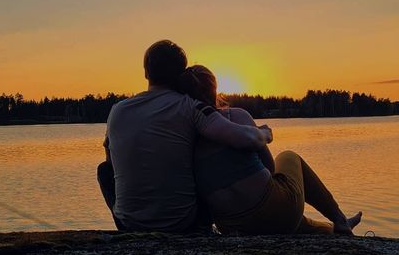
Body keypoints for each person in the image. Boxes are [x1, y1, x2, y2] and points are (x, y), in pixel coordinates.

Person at [97, 40, 272, 233]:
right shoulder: (190, 106)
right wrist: (264, 133)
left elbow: (111, 162)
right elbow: (245, 138)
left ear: (146, 72)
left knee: (104, 170)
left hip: (129, 224)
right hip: (182, 223)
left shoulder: (118, 110)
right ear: (180, 74)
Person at [178, 65, 362, 236]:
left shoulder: (183, 137)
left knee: (279, 216)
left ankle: (332, 230)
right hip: (275, 214)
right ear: (214, 90)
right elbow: (270, 167)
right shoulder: (235, 116)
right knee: (289, 157)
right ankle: (339, 220)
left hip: (233, 227)